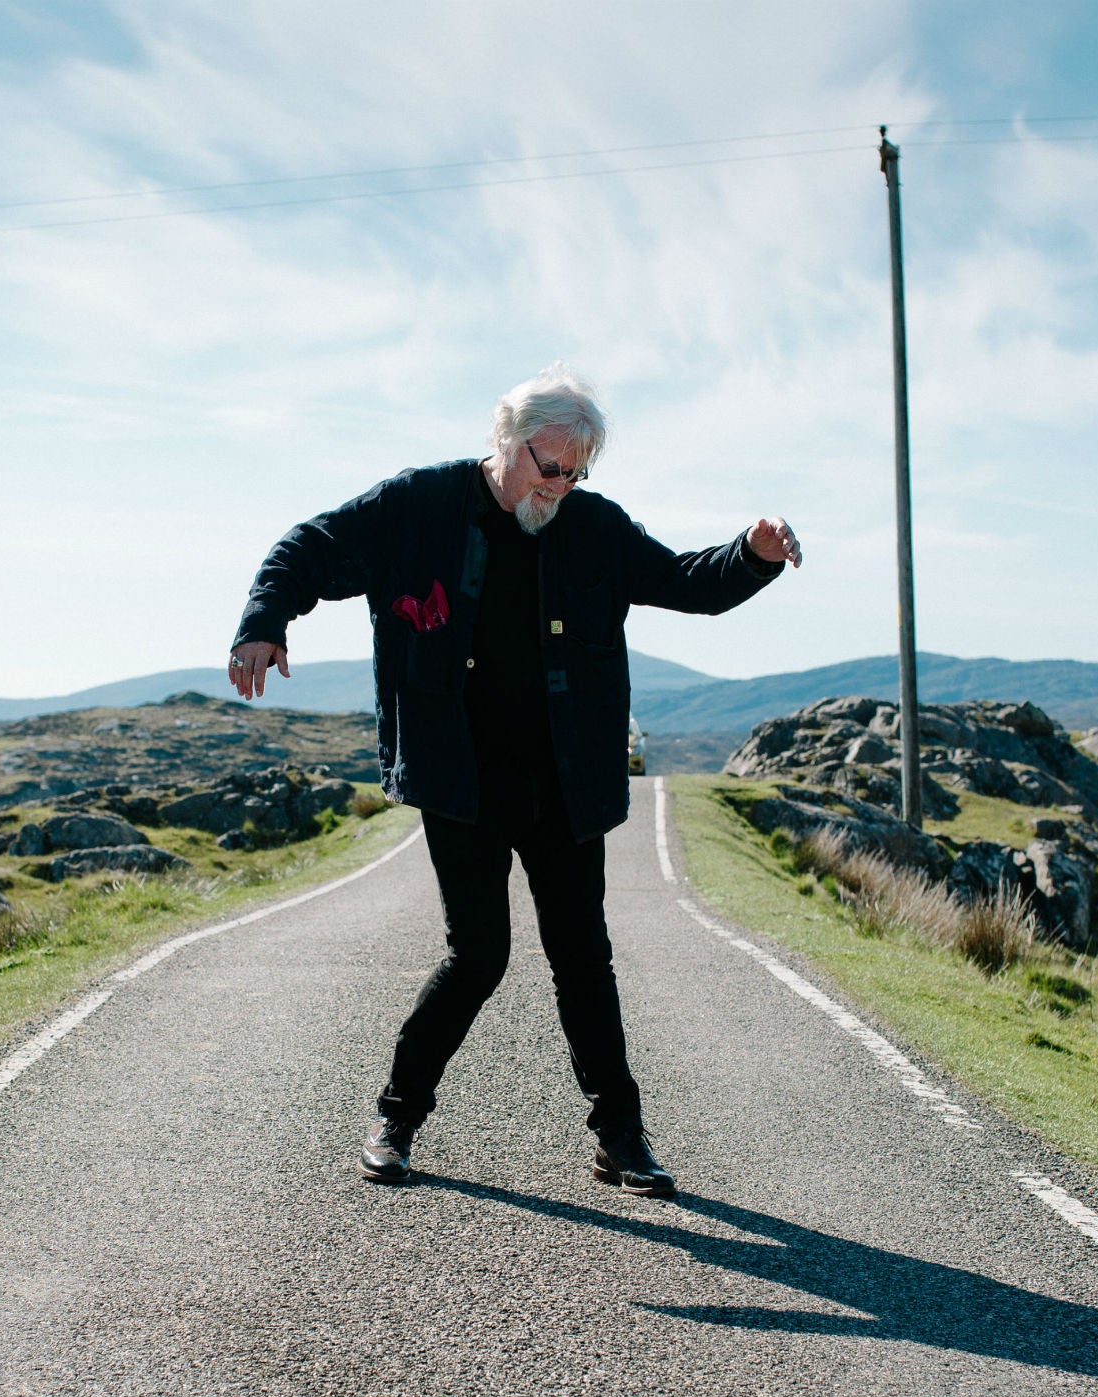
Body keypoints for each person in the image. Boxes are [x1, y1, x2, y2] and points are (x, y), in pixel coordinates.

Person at [228, 368, 800, 1196]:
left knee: (583, 958)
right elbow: (308, 548)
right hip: (460, 779)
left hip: (566, 784)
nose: (560, 485)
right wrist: (263, 622)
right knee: (479, 954)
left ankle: (621, 1139)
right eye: (548, 465)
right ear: (506, 438)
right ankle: (396, 1116)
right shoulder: (419, 507)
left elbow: (685, 582)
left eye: (575, 472)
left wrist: (753, 555)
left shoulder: (593, 527)